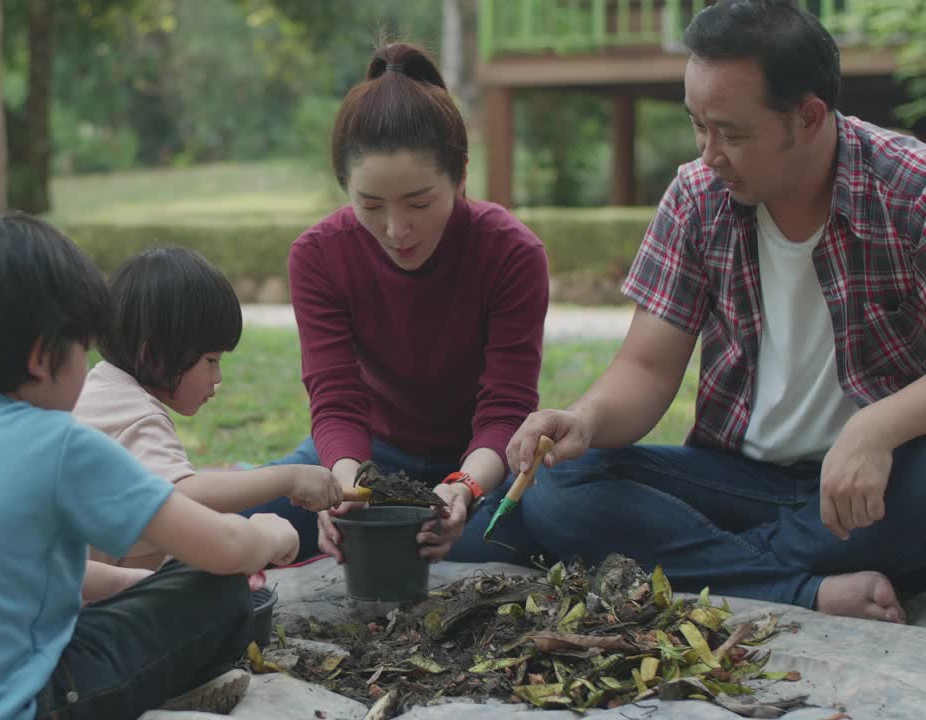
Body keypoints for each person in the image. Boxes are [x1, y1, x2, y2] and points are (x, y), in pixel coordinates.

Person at [508, 0, 926, 624]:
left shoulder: (909, 191)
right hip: (736, 480)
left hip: (877, 487)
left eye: (731, 133)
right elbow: (646, 369)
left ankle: (718, 570)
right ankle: (801, 589)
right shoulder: (696, 198)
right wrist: (583, 418)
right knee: (555, 489)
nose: (709, 154)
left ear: (808, 116)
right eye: (698, 127)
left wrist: (877, 428)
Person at [0, 214, 300, 720]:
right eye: (82, 346)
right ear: (40, 356)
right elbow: (224, 549)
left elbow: (14, 575)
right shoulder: (55, 444)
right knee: (216, 588)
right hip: (17, 706)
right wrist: (267, 534)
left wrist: (127, 587)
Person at [243, 41, 551, 565]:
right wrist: (344, 489)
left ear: (461, 175)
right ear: (344, 187)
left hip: (478, 463)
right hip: (368, 456)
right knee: (241, 521)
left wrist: (465, 489)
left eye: (420, 202)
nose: (396, 229)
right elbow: (336, 398)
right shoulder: (318, 256)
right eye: (370, 205)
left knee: (517, 539)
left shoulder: (511, 253)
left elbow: (506, 405)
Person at [74, 246, 343, 570]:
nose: (217, 378)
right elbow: (179, 497)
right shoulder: (135, 414)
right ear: (154, 354)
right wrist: (289, 479)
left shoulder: (103, 390)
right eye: (211, 361)